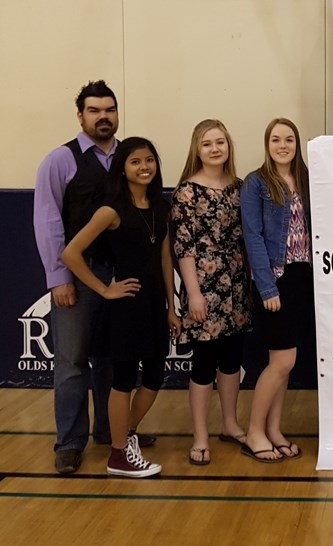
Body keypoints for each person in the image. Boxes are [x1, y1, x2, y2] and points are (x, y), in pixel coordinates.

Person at [33, 80, 152, 474]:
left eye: (110, 110)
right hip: (78, 275)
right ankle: (69, 442)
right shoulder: (60, 160)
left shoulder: (128, 158)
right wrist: (58, 276)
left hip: (120, 276)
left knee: (112, 359)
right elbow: (48, 219)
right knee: (71, 361)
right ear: (80, 115)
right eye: (94, 111)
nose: (104, 117)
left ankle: (110, 431)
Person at [61, 137, 179, 477]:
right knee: (123, 380)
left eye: (149, 161)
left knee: (155, 378)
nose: (144, 167)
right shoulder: (110, 210)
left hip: (154, 305)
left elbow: (164, 258)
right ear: (123, 169)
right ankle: (118, 454)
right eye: (135, 162)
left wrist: (172, 306)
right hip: (125, 306)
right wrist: (103, 290)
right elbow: (70, 253)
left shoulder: (161, 206)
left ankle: (124, 435)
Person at [171, 120, 252, 465]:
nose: (215, 148)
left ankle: (230, 424)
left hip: (235, 284)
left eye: (220, 142)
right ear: (197, 149)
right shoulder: (186, 192)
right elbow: (183, 247)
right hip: (202, 286)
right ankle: (200, 435)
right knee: (204, 362)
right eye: (207, 144)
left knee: (232, 359)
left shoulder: (241, 186)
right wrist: (193, 293)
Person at [239, 118, 313, 462]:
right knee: (281, 360)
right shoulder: (256, 183)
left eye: (289, 139)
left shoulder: (307, 179)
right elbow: (252, 236)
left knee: (285, 362)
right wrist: (267, 286)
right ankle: (254, 431)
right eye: (275, 140)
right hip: (275, 278)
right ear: (267, 144)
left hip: (302, 276)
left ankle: (274, 429)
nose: (283, 145)